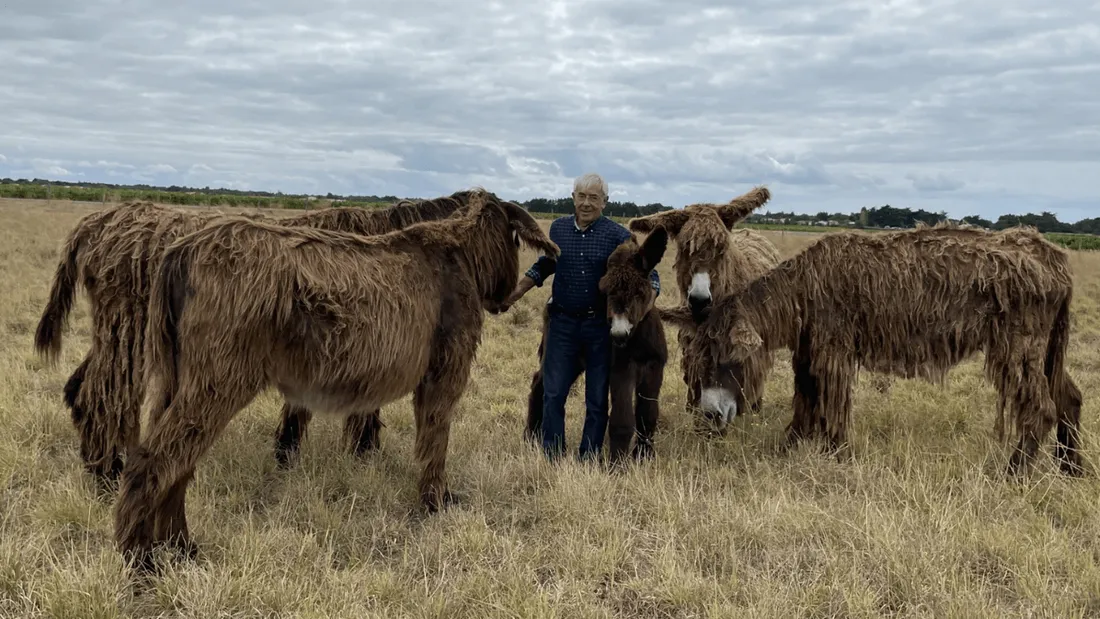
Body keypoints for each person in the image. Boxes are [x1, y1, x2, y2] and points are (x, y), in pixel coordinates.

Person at [503, 172, 660, 462]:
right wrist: (519, 289)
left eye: (594, 198)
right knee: (553, 392)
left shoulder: (618, 235)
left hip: (598, 327)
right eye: (582, 196)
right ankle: (552, 454)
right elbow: (547, 263)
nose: (586, 203)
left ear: (605, 203)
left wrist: (648, 303)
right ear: (573, 197)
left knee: (597, 399)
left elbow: (647, 275)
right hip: (562, 322)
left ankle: (588, 456)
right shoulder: (559, 229)